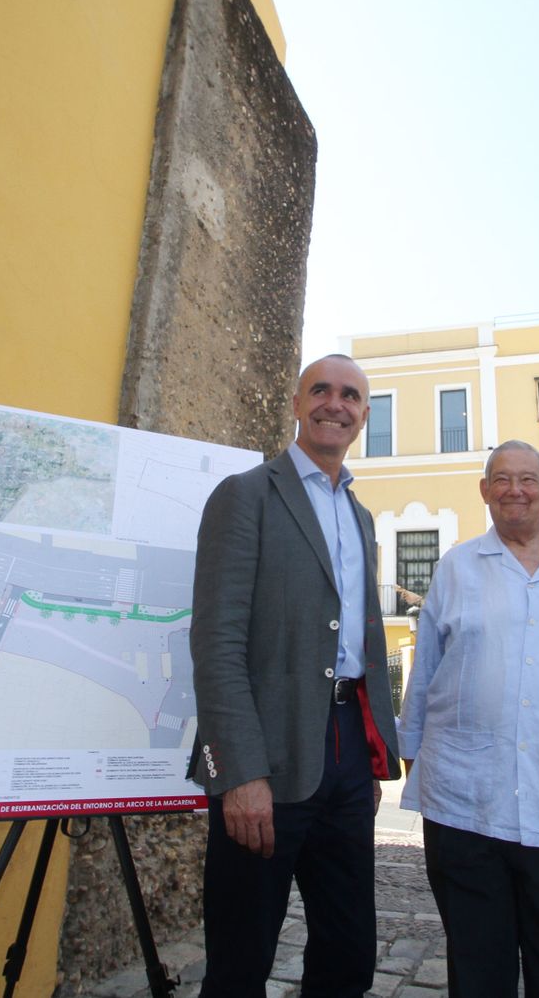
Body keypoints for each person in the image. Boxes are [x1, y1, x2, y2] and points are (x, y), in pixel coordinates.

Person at [188, 354, 402, 997]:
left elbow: (363, 639)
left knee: (348, 953)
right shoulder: (245, 495)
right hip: (267, 753)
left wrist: (372, 757)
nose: (335, 404)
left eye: (351, 396)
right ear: (297, 404)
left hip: (347, 749)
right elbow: (217, 642)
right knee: (240, 960)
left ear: (364, 415)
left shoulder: (361, 516)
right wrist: (239, 772)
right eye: (321, 391)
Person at [398, 441, 539, 997]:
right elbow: (424, 672)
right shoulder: (456, 568)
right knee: (478, 965)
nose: (515, 490)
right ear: (485, 491)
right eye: (501, 479)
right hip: (465, 801)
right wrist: (412, 755)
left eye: (528, 479)